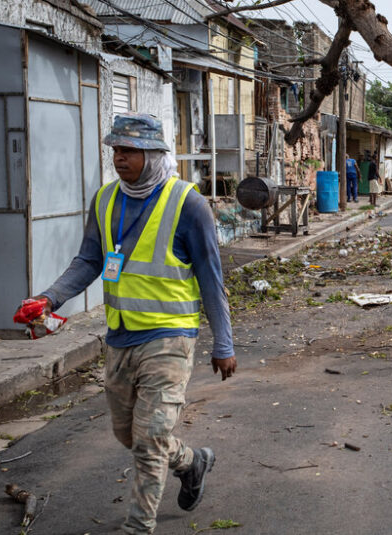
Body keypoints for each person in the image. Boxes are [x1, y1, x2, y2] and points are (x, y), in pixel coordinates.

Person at [22, 113, 236, 535]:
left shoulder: (188, 204)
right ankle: (193, 463)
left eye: (129, 151)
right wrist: (48, 298)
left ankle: (138, 527)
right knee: (131, 436)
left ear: (155, 155)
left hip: (170, 341)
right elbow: (88, 261)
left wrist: (223, 344)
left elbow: (212, 278)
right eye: (115, 150)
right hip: (120, 339)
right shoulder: (105, 200)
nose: (118, 158)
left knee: (150, 436)